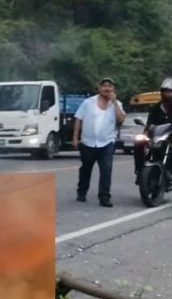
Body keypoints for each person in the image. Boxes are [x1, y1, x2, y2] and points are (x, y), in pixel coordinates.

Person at [73, 77, 125, 207]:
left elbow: (120, 119)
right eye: (104, 86)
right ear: (99, 88)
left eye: (109, 86)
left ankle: (104, 197)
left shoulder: (116, 104)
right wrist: (75, 137)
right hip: (88, 142)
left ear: (113, 89)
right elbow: (78, 119)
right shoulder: (88, 102)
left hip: (107, 142)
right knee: (85, 169)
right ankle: (82, 192)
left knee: (106, 170)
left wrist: (114, 102)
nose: (107, 88)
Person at [134, 78, 172, 184]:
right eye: (165, 91)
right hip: (157, 135)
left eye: (169, 91)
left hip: (170, 137)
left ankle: (169, 171)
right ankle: (139, 170)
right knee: (138, 142)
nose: (167, 94)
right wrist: (146, 132)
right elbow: (150, 123)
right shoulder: (156, 107)